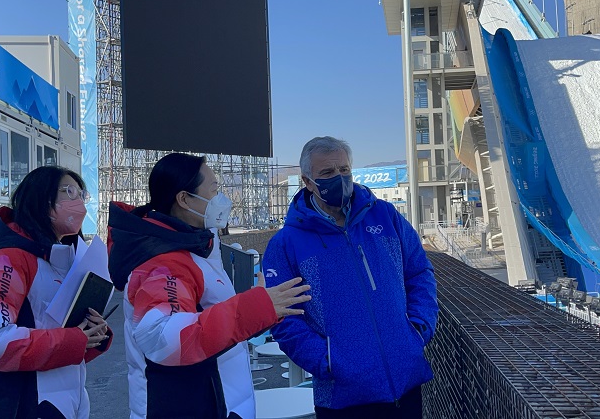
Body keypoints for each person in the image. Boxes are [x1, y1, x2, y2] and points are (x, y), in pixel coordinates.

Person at [107, 153, 311, 419]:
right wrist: (257, 306)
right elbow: (164, 337)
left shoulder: (194, 248)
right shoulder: (163, 265)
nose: (221, 199)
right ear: (184, 199)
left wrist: (257, 306)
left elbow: (211, 320)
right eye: (214, 190)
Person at [263, 136, 439, 418]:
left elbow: (419, 272)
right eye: (328, 173)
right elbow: (282, 316)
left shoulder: (385, 217)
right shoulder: (286, 244)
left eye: (344, 170)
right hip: (340, 397)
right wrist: (327, 362)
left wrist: (418, 329)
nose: (340, 179)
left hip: (405, 383)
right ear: (307, 182)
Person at [0, 166, 110, 418]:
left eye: (81, 194)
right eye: (69, 192)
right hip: (19, 403)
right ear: (42, 198)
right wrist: (73, 340)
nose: (79, 203)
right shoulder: (7, 258)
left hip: (62, 398)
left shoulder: (64, 255)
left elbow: (54, 325)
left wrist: (93, 333)